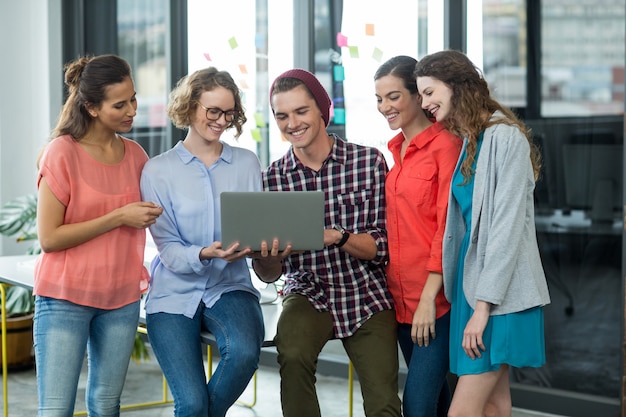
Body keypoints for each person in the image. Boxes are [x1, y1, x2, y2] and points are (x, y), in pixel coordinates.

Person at [251, 68, 402, 417]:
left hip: (366, 293)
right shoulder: (271, 179)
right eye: (282, 116)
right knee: (292, 354)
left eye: (301, 111)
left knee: (383, 401)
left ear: (322, 110)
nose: (292, 123)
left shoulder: (368, 162)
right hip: (308, 291)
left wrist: (337, 237)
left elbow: (384, 246)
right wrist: (265, 257)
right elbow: (270, 275)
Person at [414, 50, 551, 417]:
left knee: (462, 411)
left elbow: (505, 232)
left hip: (497, 299)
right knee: (493, 404)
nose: (424, 103)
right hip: (474, 292)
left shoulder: (505, 138)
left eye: (429, 92)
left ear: (456, 86)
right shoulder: (471, 140)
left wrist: (483, 308)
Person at [34, 54, 163, 416]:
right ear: (90, 107)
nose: (132, 110)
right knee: (56, 409)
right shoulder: (62, 154)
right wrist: (119, 216)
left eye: (133, 99)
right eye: (119, 104)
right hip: (64, 298)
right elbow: (50, 237)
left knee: (106, 406)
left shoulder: (136, 155)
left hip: (121, 299)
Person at [139, 67, 265, 417]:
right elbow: (168, 249)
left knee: (243, 353)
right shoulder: (158, 171)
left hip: (231, 285)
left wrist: (262, 248)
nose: (222, 121)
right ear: (191, 107)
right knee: (191, 404)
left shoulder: (246, 163)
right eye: (214, 111)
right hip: (173, 293)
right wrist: (204, 252)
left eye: (229, 112)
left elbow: (255, 228)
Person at [374, 55, 461, 417]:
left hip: (435, 303)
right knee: (437, 400)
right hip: (401, 300)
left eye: (393, 97)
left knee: (417, 405)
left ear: (418, 96)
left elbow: (448, 229)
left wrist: (429, 297)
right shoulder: (395, 152)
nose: (384, 107)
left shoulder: (446, 146)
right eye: (379, 99)